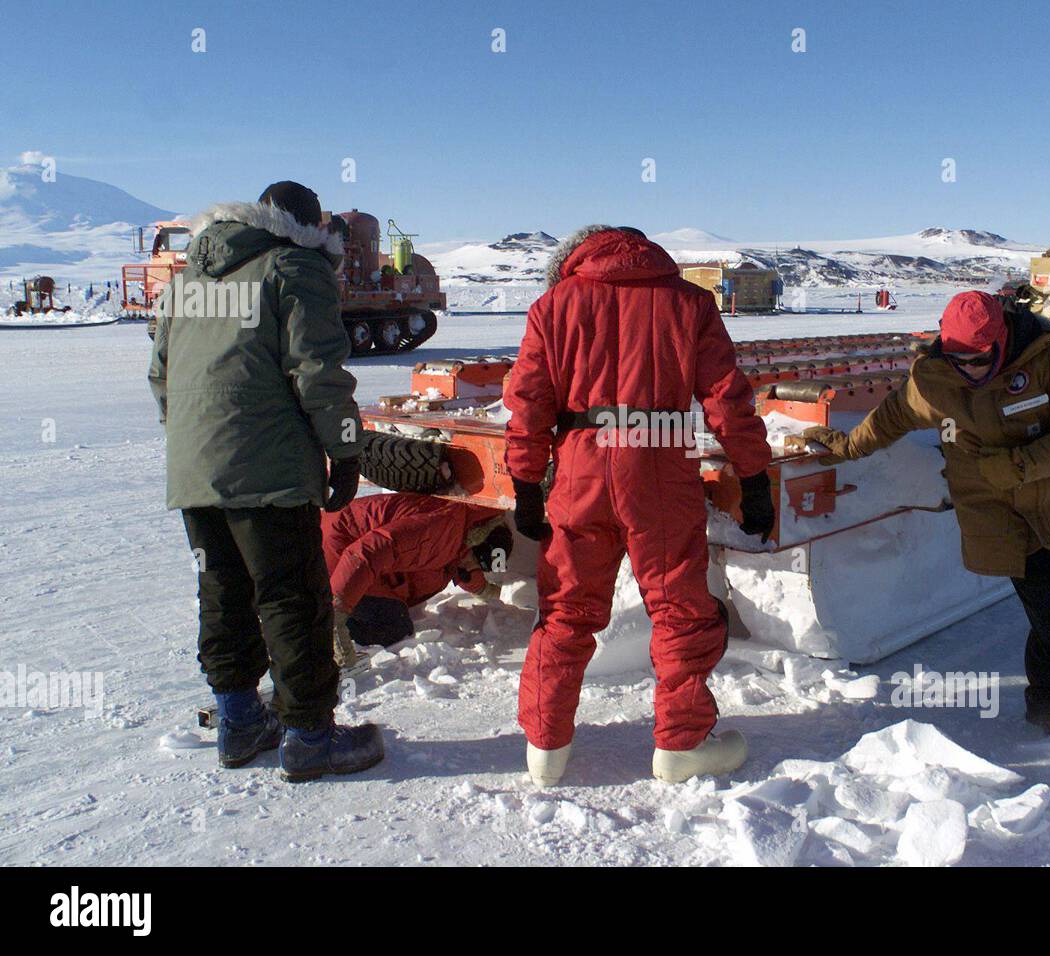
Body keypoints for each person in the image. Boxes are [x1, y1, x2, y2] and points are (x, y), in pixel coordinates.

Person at [803, 291, 1050, 736]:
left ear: (1002, 340)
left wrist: (1018, 465)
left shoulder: (1045, 361)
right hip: (995, 511)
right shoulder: (934, 380)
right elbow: (889, 420)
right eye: (957, 359)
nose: (967, 369)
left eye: (977, 360)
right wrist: (843, 447)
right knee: (1047, 595)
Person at [505, 225, 775, 786]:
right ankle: (682, 745)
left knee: (565, 610)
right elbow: (726, 397)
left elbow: (529, 403)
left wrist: (527, 485)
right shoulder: (690, 302)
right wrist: (753, 477)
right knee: (678, 607)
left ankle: (545, 748)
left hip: (580, 467)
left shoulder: (552, 304)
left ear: (577, 257)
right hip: (660, 462)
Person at [148, 180, 384, 782]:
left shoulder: (187, 281)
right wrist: (347, 451)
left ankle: (239, 721)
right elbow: (318, 372)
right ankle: (310, 736)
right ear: (308, 227)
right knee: (292, 597)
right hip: (270, 473)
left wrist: (194, 444)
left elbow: (162, 377)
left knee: (223, 592)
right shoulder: (293, 268)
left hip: (195, 469)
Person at [321, 492, 514, 662]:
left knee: (394, 616)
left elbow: (464, 567)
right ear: (476, 541)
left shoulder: (465, 526)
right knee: (393, 626)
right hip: (336, 556)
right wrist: (338, 610)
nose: (473, 568)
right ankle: (318, 632)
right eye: (476, 562)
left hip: (346, 554)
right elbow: (368, 553)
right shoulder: (442, 531)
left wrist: (486, 590)